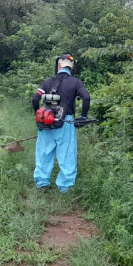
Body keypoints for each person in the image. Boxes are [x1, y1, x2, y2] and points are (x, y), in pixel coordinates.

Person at [31, 54, 90, 193]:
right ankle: (65, 187)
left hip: (46, 122)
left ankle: (42, 183)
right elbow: (86, 97)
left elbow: (35, 99)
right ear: (71, 67)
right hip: (66, 121)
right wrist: (83, 116)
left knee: (44, 152)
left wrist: (38, 114)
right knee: (67, 154)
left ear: (58, 66)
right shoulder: (75, 82)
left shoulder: (47, 82)